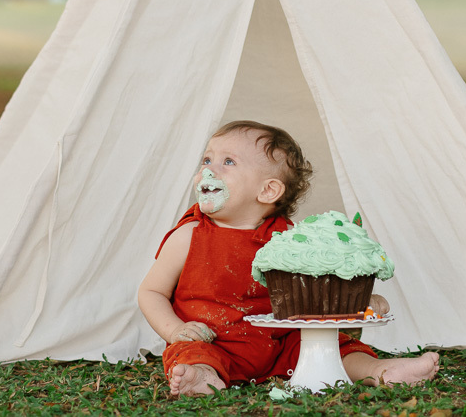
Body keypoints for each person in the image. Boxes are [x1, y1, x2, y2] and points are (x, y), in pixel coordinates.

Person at [138, 120, 439, 397]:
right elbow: (151, 292)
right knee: (192, 354)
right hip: (213, 341)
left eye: (227, 162)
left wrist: (361, 302)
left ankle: (380, 371)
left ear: (268, 190)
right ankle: (202, 378)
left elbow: (318, 286)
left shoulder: (291, 239)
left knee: (332, 345)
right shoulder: (189, 236)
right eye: (207, 159)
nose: (209, 169)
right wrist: (174, 330)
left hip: (282, 343)